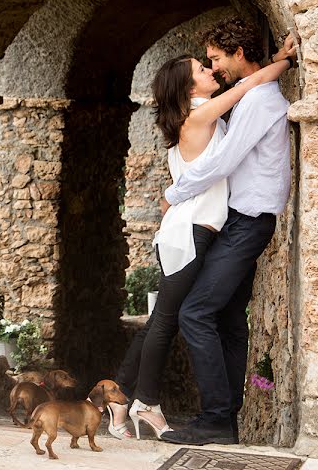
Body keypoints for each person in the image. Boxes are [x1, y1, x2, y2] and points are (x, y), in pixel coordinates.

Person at [109, 31, 296, 441]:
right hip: (191, 230)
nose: (210, 69)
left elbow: (246, 93)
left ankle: (133, 398)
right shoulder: (202, 113)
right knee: (173, 316)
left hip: (209, 227)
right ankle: (143, 401)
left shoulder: (206, 112)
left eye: (211, 60)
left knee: (178, 315)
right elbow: (246, 87)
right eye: (201, 66)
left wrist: (277, 61)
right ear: (188, 86)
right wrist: (283, 60)